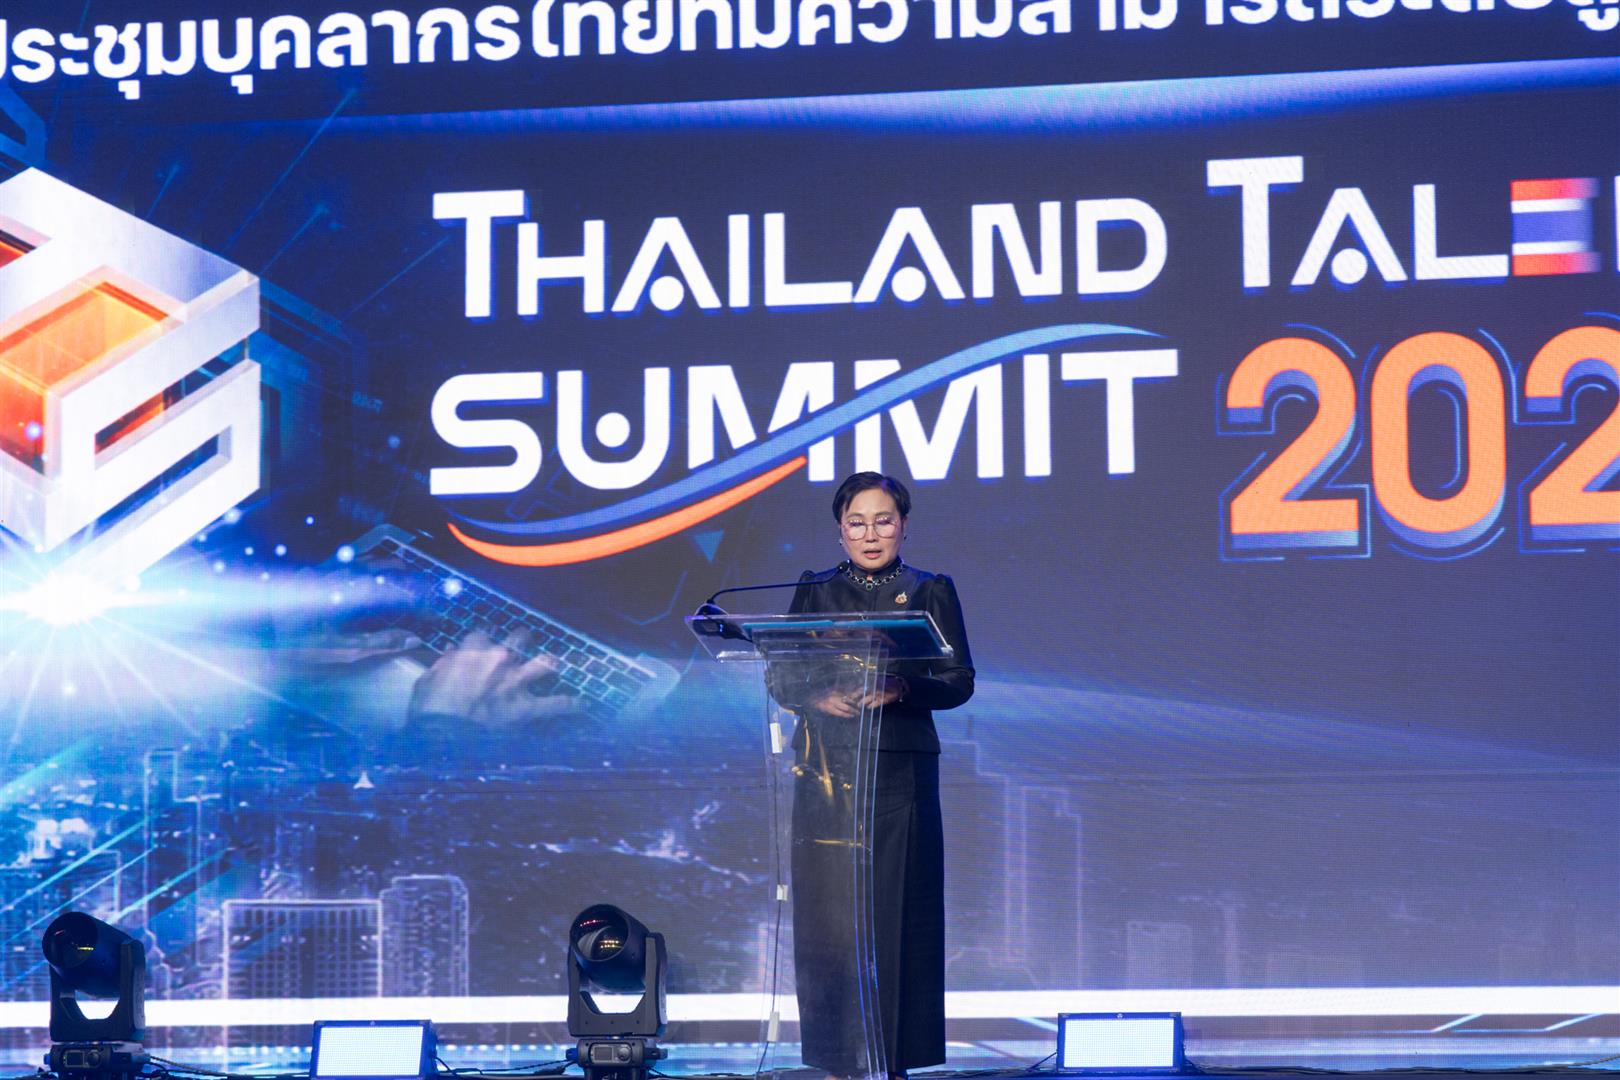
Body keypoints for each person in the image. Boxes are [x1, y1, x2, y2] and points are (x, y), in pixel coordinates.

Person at [777, 472, 975, 1080]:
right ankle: (837, 1061)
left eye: (883, 521)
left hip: (898, 774)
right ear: (840, 529)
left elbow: (958, 681)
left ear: (903, 526)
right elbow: (782, 677)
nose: (870, 534)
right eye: (857, 522)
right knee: (829, 919)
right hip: (825, 769)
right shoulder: (814, 590)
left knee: (895, 911)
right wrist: (816, 697)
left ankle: (894, 1060)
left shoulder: (930, 590)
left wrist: (901, 688)